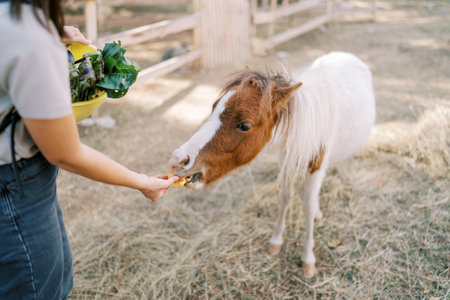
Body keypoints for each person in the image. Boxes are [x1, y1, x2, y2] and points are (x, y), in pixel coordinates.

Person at [0, 0, 179, 298]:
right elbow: (65, 152)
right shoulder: (27, 32)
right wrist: (142, 182)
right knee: (40, 288)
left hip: (17, 183)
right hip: (15, 188)